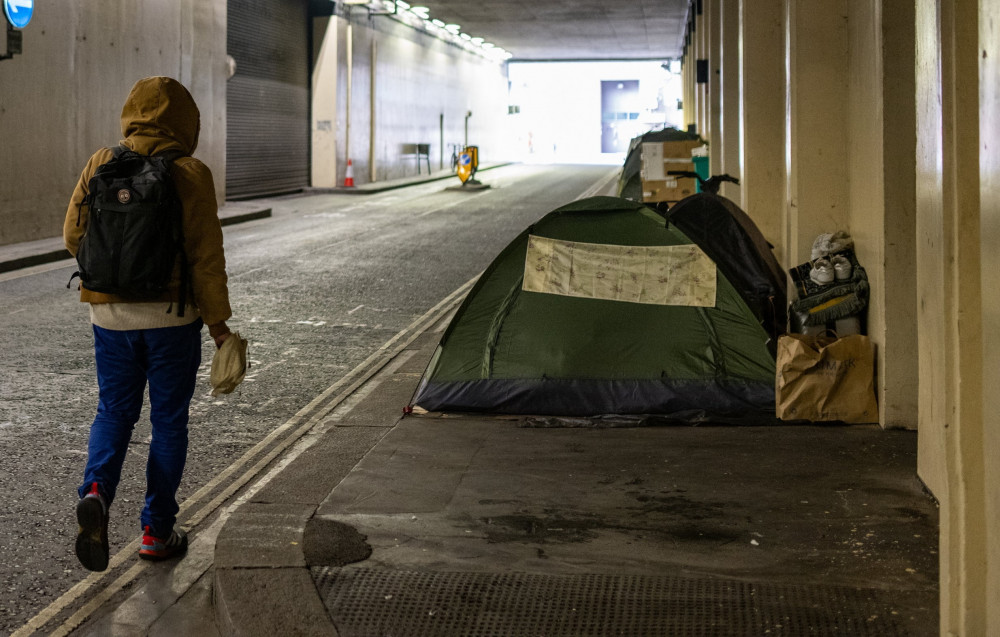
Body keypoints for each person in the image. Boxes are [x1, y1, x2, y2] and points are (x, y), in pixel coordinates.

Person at [64, 76, 232, 572]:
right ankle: (157, 533)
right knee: (168, 422)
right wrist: (219, 326)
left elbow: (73, 233)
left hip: (109, 316)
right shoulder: (190, 171)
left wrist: (115, 276)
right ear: (185, 120)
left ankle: (95, 490)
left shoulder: (101, 162)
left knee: (113, 412)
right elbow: (206, 258)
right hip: (172, 319)